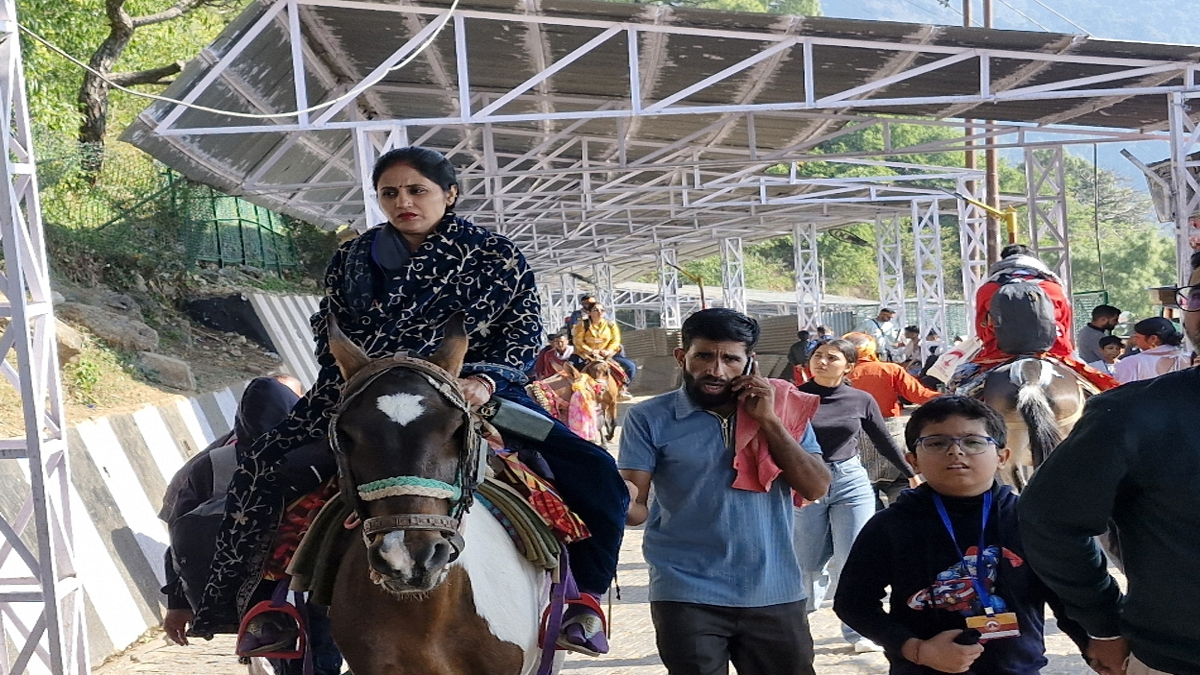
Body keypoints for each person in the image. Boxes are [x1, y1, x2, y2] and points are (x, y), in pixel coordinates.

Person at [191, 147, 629, 657]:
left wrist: (485, 380)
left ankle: (583, 602)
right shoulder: (350, 260)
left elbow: (521, 331)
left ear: (450, 194)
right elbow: (328, 333)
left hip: (473, 393)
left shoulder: (495, 255)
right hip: (363, 392)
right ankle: (267, 607)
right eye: (390, 193)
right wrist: (352, 384)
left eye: (417, 190)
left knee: (597, 471)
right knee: (264, 467)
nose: (404, 202)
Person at [619, 308, 832, 675]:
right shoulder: (649, 417)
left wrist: (768, 420)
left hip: (774, 590)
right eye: (704, 356)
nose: (716, 370)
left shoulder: (784, 406)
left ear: (750, 362)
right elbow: (635, 507)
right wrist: (607, 498)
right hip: (685, 592)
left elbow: (816, 485)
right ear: (681, 356)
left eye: (730, 359)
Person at [1017, 252, 1200, 675]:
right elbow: (1048, 518)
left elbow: (1047, 519)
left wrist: (1100, 623)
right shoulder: (1127, 413)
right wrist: (1100, 619)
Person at [835, 396, 1088, 674]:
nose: (956, 451)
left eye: (973, 441)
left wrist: (1098, 648)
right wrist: (915, 649)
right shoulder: (889, 526)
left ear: (1003, 457)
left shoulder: (1031, 522)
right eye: (936, 443)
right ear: (913, 461)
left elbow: (1068, 600)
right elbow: (853, 603)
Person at [160, 375, 342, 675]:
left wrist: (178, 602)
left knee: (291, 659)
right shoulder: (320, 457)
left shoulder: (213, 463)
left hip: (254, 593)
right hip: (318, 584)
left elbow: (181, 535)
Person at [795, 339, 918, 653]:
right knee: (808, 560)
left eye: (831, 358)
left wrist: (910, 473)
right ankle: (798, 623)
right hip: (808, 482)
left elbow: (883, 439)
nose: (821, 362)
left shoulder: (861, 399)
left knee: (853, 558)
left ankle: (858, 631)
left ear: (849, 366)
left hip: (850, 480)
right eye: (817, 356)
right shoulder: (795, 397)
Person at [968, 244, 1116, 392]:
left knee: (957, 387)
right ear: (1034, 260)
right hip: (1054, 351)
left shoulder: (987, 289)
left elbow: (982, 330)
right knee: (1102, 390)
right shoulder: (1053, 287)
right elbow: (1065, 325)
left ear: (1004, 260)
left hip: (997, 354)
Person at [842, 332, 940, 508]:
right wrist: (949, 395)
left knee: (866, 494)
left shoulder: (840, 375)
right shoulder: (890, 370)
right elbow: (920, 396)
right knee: (902, 485)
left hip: (853, 440)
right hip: (891, 435)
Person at [572, 302, 636, 398]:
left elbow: (616, 340)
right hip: (587, 355)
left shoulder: (611, 325)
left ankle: (623, 388)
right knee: (572, 369)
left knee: (630, 366)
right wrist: (590, 351)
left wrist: (608, 350)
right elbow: (578, 341)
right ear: (589, 313)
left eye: (602, 310)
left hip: (608, 355)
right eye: (596, 310)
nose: (599, 312)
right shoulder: (582, 325)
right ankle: (576, 392)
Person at [1112, 316, 1190, 384]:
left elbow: (1120, 392)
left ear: (1153, 338)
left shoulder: (1132, 362)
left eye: (1137, 336)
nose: (1134, 339)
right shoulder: (1192, 358)